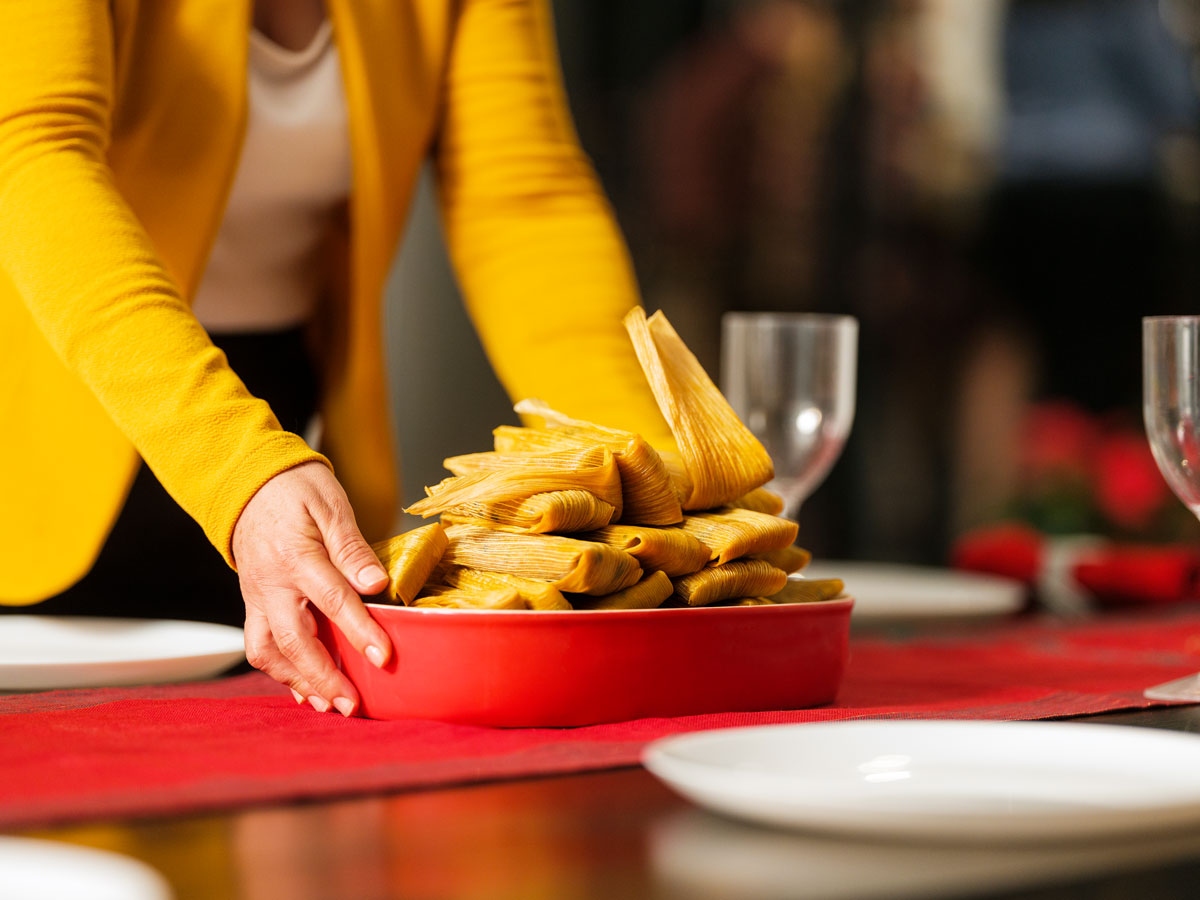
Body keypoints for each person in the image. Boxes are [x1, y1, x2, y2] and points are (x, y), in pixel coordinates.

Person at [0, 0, 674, 716]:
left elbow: (524, 200)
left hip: (269, 426)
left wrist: (658, 482)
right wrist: (237, 466)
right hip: (78, 423)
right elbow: (33, 154)